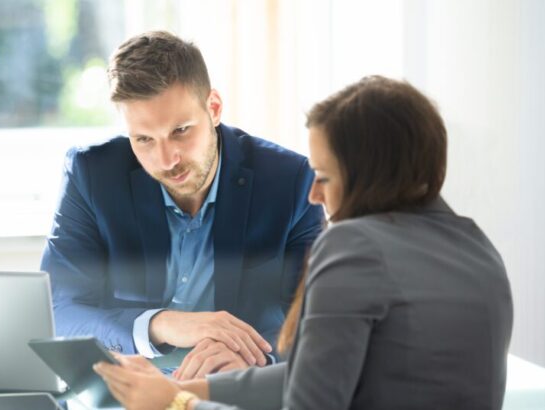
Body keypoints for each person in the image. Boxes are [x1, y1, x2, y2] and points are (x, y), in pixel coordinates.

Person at [94, 76, 514, 409]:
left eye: (325, 177)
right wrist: (200, 389)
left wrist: (177, 402)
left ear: (373, 176)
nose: (314, 195)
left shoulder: (354, 246)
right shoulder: (478, 248)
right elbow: (313, 375)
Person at [40, 30, 323, 376]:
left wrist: (259, 360)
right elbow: (60, 310)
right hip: (124, 394)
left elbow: (316, 317)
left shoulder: (290, 181)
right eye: (143, 139)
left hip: (230, 393)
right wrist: (159, 325)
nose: (166, 159)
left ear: (214, 108)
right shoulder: (92, 175)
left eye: (181, 131)